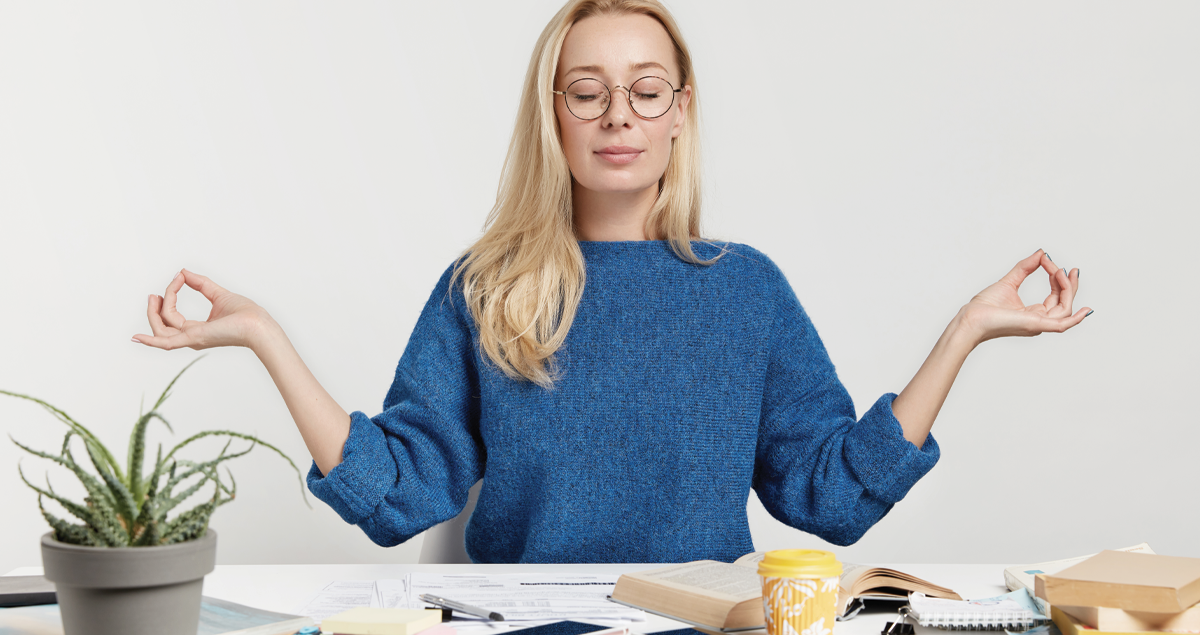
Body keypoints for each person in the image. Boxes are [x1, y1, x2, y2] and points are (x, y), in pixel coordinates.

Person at [132, 0, 1090, 563]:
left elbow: (829, 499)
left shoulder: (745, 289)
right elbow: (401, 495)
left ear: (680, 113)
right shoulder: (485, 285)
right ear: (553, 114)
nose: (616, 116)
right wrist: (266, 335)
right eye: (587, 91)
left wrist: (964, 329)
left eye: (645, 91)